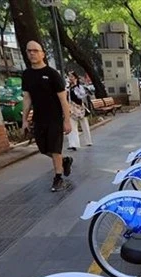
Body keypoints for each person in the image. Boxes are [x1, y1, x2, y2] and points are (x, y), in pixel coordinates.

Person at [21, 40, 73, 192]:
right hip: (39, 118)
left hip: (55, 118)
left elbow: (63, 99)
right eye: (29, 51)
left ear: (42, 54)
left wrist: (67, 121)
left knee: (55, 148)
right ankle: (65, 161)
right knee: (44, 149)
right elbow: (27, 98)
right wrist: (24, 120)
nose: (32, 53)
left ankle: (58, 178)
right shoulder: (27, 75)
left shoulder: (52, 74)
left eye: (35, 50)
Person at [66, 71, 93, 151]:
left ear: (75, 77)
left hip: (80, 108)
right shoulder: (68, 87)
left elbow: (82, 96)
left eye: (71, 76)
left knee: (85, 125)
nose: (70, 78)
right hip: (71, 109)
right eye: (69, 76)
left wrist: (76, 89)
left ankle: (88, 141)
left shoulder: (79, 87)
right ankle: (73, 144)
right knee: (72, 126)